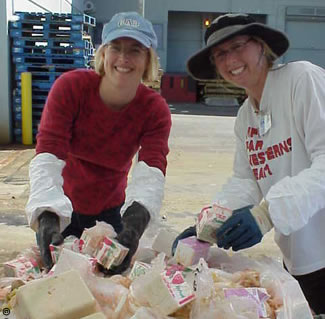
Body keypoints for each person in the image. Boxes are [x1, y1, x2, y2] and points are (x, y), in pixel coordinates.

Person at [173, 13, 325, 314]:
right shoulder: (245, 117)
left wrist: (267, 214)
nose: (230, 59)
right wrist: (207, 225)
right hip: (297, 257)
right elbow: (247, 180)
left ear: (261, 47)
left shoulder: (301, 80)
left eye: (238, 46)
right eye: (220, 54)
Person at [25, 11, 172, 275]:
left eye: (135, 50)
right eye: (116, 47)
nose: (124, 59)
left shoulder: (154, 109)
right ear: (103, 53)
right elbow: (48, 151)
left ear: (148, 59)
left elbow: (151, 167)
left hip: (112, 213)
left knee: (108, 284)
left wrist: (135, 222)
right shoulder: (71, 87)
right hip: (61, 209)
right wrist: (47, 214)